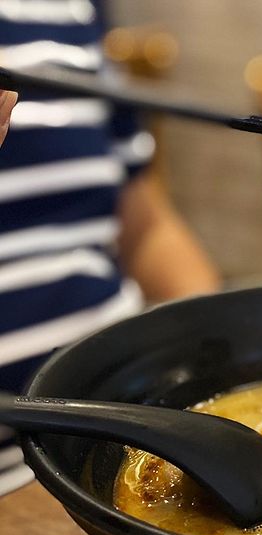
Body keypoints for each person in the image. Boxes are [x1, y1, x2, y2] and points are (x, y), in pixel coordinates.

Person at [0, 1, 221, 493]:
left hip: (128, 426)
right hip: (13, 475)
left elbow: (145, 224)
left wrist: (212, 365)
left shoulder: (73, 9)